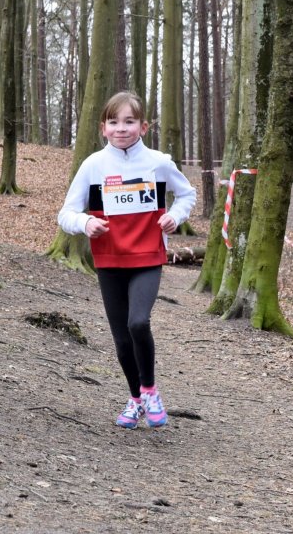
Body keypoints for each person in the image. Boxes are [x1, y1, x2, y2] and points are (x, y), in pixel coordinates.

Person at [57, 91, 196, 429]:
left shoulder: (159, 162)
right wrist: (86, 223)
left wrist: (174, 217)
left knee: (138, 323)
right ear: (103, 128)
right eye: (114, 122)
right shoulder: (93, 166)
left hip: (147, 255)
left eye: (130, 122)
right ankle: (136, 399)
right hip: (109, 260)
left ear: (143, 126)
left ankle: (150, 389)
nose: (122, 128)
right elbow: (66, 213)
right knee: (121, 338)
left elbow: (187, 194)